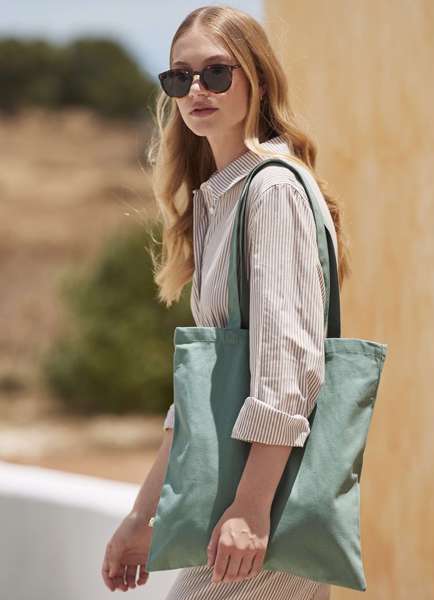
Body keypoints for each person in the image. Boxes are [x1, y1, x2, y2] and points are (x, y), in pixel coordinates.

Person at [101, 4, 351, 599]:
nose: (197, 90)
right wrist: (142, 514)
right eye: (180, 76)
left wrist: (252, 507)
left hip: (259, 511)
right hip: (235, 509)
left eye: (217, 73)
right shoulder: (221, 200)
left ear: (256, 77)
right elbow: (202, 391)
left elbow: (288, 365)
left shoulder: (271, 191)